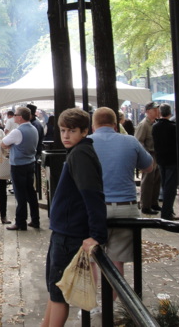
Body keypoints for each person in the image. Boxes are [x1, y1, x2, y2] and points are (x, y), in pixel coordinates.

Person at [41, 108, 107, 327]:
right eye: (62, 130)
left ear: (84, 131)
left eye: (72, 130)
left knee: (59, 293)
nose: (66, 135)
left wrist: (97, 234)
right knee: (55, 288)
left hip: (70, 232)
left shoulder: (81, 154)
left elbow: (92, 194)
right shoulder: (78, 152)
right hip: (64, 229)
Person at [89, 107, 153, 293]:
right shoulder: (130, 141)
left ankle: (91, 304)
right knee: (117, 261)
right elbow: (149, 167)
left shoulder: (86, 143)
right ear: (116, 125)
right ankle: (114, 302)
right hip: (126, 207)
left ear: (93, 125)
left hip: (95, 208)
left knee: (90, 257)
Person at [2, 106, 40, 230]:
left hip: (18, 165)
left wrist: (11, 146)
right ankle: (35, 220)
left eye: (15, 115)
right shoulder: (34, 129)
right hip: (30, 163)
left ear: (20, 117)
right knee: (31, 193)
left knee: (20, 195)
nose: (14, 117)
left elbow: (3, 143)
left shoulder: (17, 131)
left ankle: (20, 222)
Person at [152, 103, 179, 220]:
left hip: (160, 159)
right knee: (170, 187)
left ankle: (168, 210)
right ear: (170, 113)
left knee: (165, 184)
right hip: (172, 160)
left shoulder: (155, 126)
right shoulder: (173, 127)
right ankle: (167, 212)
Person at [135, 102, 162, 214]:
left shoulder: (155, 123)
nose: (157, 111)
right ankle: (145, 205)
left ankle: (154, 203)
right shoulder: (144, 125)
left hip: (156, 154)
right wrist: (144, 156)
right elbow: (138, 142)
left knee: (156, 180)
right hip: (149, 154)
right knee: (148, 181)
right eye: (154, 110)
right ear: (148, 111)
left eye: (157, 109)